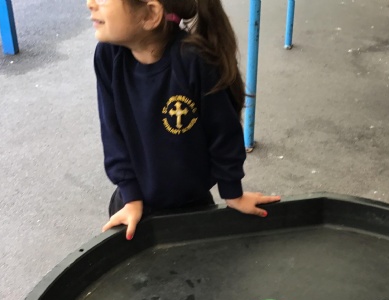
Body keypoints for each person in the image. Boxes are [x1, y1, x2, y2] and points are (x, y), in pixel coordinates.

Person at [87, 0, 280, 240]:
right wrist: (131, 197)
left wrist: (233, 193)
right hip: (131, 206)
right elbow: (112, 132)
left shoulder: (194, 60)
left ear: (151, 13)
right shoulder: (108, 55)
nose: (90, 4)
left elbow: (223, 132)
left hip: (192, 209)